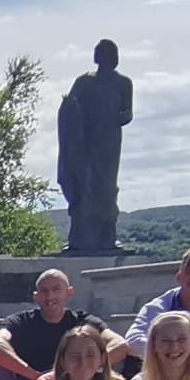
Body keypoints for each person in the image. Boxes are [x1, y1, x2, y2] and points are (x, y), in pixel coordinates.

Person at [0, 269, 128, 380]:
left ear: (69, 293)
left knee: (110, 361)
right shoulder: (20, 321)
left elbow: (120, 345)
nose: (50, 296)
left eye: (56, 289)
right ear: (35, 297)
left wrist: (82, 368)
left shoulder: (83, 321)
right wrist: (38, 377)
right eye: (44, 291)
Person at [57, 39, 134, 253]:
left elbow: (127, 114)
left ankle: (107, 237)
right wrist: (73, 111)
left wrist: (110, 117)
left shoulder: (123, 83)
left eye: (104, 53)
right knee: (82, 186)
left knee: (107, 188)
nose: (100, 57)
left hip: (109, 144)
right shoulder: (84, 82)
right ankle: (79, 239)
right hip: (84, 141)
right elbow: (70, 108)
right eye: (98, 53)